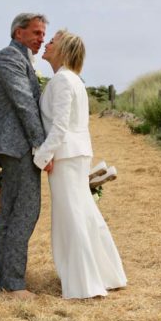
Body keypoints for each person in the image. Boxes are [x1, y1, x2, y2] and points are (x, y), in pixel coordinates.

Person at [33, 30, 127, 299]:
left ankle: (84, 283)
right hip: (75, 153)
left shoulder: (63, 80)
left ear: (62, 50)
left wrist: (42, 157)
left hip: (66, 156)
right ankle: (107, 275)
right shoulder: (73, 79)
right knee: (84, 214)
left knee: (71, 217)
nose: (46, 44)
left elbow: (60, 126)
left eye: (52, 41)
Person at [0, 13, 48, 300]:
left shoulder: (20, 59)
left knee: (12, 212)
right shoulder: (9, 58)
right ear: (18, 33)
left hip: (16, 146)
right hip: (17, 146)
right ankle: (14, 285)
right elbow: (25, 104)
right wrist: (41, 146)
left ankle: (7, 279)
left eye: (43, 34)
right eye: (36, 32)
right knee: (24, 212)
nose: (41, 38)